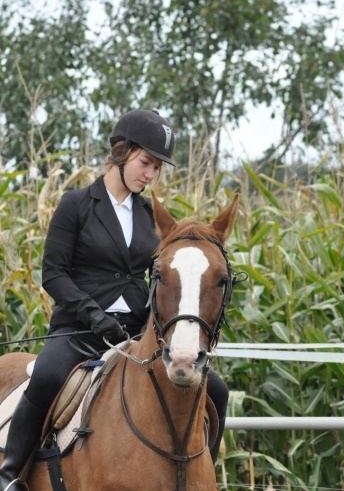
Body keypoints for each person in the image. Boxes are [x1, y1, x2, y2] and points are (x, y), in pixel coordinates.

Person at [0, 109, 229, 490]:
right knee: (46, 378)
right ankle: (10, 475)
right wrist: (93, 314)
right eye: (145, 163)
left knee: (216, 390)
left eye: (156, 168)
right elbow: (53, 274)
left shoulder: (148, 213)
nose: (150, 174)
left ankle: (202, 472)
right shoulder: (77, 205)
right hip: (78, 328)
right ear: (121, 152)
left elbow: (166, 274)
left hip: (136, 333)